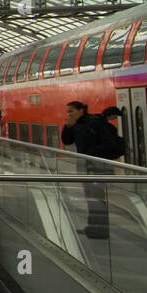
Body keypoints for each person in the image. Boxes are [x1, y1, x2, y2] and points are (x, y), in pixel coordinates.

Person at [61, 101, 124, 239]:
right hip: (87, 166)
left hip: (98, 167)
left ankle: (101, 230)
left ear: (80, 111)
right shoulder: (76, 125)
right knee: (91, 198)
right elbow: (67, 141)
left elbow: (106, 144)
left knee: (97, 199)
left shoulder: (94, 123)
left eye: (71, 111)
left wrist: (89, 155)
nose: (68, 114)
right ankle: (92, 227)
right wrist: (67, 126)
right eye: (67, 111)